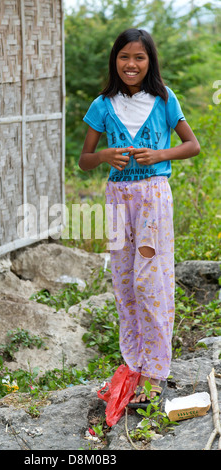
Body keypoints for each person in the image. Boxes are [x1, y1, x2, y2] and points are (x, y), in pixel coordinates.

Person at [79, 28, 200, 406]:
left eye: (139, 58)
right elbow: (84, 161)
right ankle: (133, 363)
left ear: (150, 62)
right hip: (117, 199)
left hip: (152, 198)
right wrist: (103, 157)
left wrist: (160, 155)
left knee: (152, 281)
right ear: (115, 61)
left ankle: (155, 372)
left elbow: (192, 145)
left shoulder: (164, 100)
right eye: (124, 57)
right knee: (124, 281)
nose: (131, 65)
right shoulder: (102, 105)